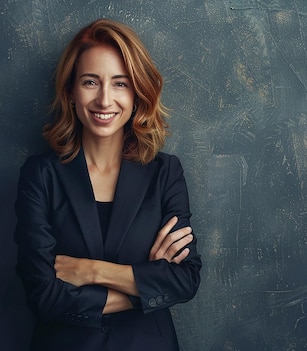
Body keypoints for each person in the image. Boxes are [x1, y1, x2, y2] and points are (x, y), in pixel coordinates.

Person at [13, 18, 202, 351]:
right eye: (90, 82)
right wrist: (146, 286)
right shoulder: (40, 175)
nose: (104, 99)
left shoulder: (165, 173)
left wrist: (91, 271)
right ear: (70, 91)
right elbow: (43, 295)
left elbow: (184, 279)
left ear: (137, 92)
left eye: (120, 83)